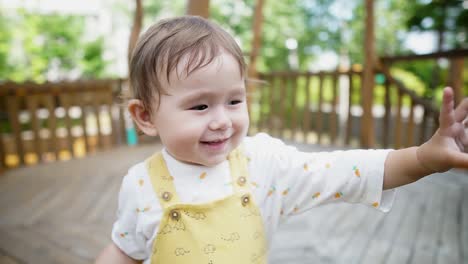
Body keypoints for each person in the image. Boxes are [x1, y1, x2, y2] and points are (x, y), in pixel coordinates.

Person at [95, 15, 468, 264]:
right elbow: (123, 251)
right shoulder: (141, 185)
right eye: (200, 106)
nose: (223, 121)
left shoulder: (263, 163)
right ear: (145, 116)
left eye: (234, 101)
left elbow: (347, 170)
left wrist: (423, 158)